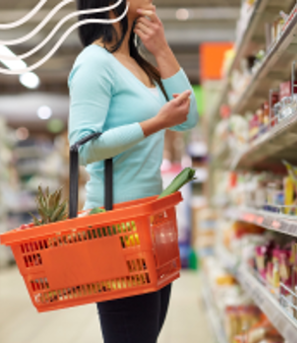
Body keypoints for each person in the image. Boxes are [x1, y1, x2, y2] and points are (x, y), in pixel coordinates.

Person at [68, 0, 199, 342]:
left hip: (150, 222)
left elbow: (190, 116)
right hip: (116, 228)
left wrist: (162, 49)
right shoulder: (94, 63)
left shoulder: (138, 63)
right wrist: (157, 123)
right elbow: (83, 147)